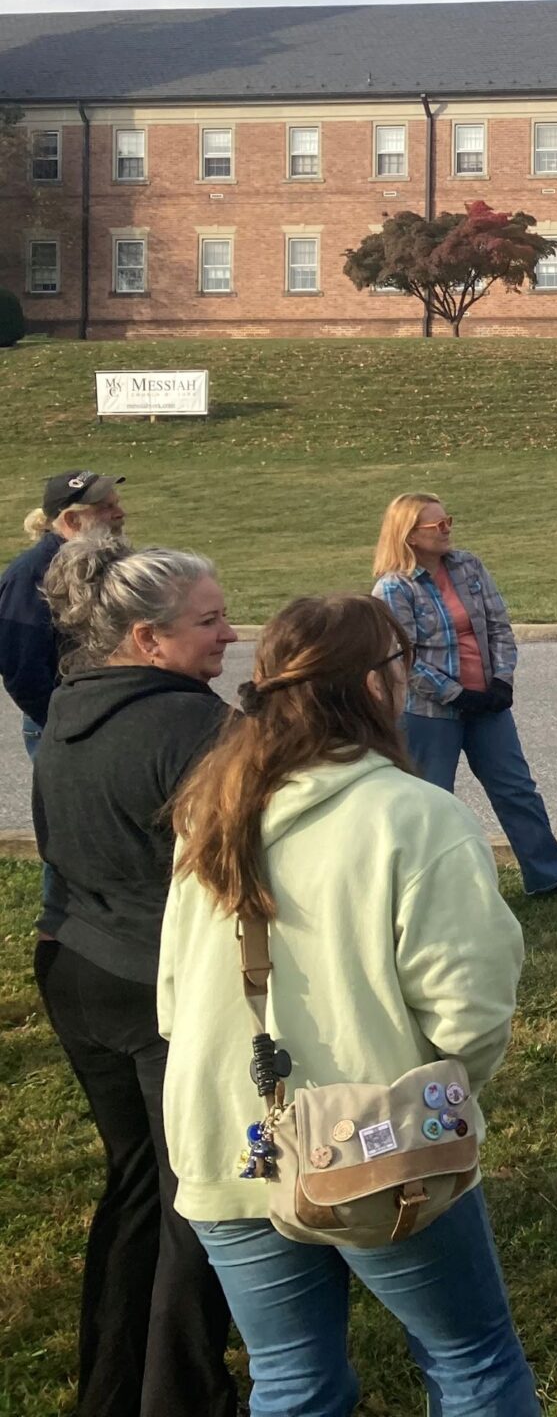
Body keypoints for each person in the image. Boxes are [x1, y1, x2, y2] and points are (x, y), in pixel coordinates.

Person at [158, 594, 535, 1416]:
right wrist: (434, 1099)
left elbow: (173, 995)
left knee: (292, 1381)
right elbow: (469, 1010)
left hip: (225, 1134)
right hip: (380, 1137)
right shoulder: (414, 816)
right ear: (373, 686)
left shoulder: (210, 807)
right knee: (471, 1361)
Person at [31, 535, 239, 1417]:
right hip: (159, 987)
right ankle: (181, 1398)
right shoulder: (194, 726)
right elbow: (241, 866)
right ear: (148, 641)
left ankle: (109, 1392)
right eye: (209, 621)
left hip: (76, 968)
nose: (231, 633)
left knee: (139, 1185)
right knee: (203, 1193)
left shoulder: (71, 708)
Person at [372, 494, 557, 900]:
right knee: (432, 801)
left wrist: (502, 683)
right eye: (436, 525)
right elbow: (400, 658)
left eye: (448, 521)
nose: (447, 530)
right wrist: (455, 695)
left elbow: (498, 625)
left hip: (488, 705)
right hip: (428, 712)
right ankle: (427, 893)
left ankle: (550, 877)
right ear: (409, 535)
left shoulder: (468, 566)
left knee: (516, 789)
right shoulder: (393, 589)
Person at [3, 469, 126, 756]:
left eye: (117, 503)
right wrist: (63, 721)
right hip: (69, 723)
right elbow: (21, 667)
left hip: (109, 713)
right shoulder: (32, 573)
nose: (120, 513)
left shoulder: (109, 561)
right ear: (72, 519)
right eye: (106, 507)